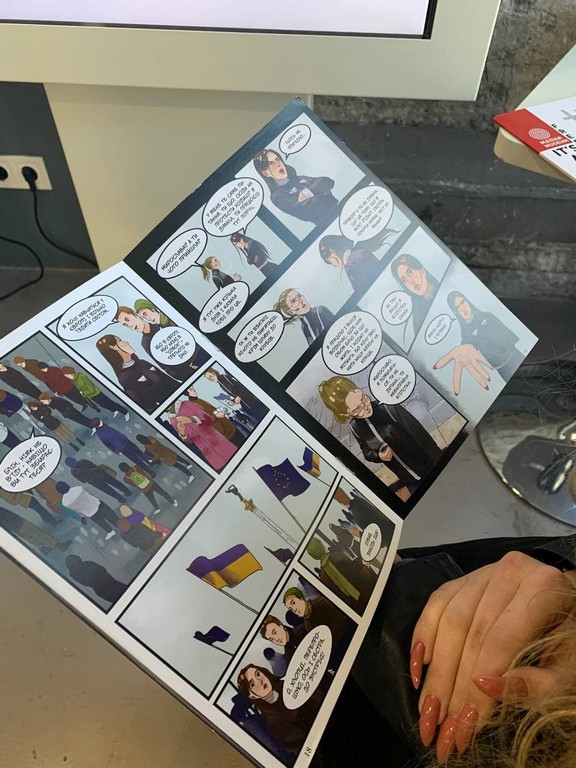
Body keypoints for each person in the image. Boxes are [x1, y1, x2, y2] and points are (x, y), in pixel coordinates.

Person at [318, 376, 442, 487]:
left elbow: (418, 432)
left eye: (363, 398)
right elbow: (366, 452)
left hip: (426, 464)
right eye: (357, 409)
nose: (365, 407)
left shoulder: (387, 407)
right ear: (346, 414)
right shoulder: (355, 427)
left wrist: (438, 457)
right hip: (406, 477)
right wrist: (379, 456)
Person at [435, 290, 525, 394]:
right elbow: (466, 349)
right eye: (457, 307)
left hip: (516, 357)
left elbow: (509, 335)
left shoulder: (487, 316)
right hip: (503, 369)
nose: (462, 308)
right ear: (455, 312)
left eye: (462, 302)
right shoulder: (467, 334)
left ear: (467, 301)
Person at [237, 664, 322, 754]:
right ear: (252, 696)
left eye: (258, 674)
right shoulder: (274, 721)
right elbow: (298, 744)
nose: (260, 681)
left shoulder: (287, 685)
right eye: (253, 684)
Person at [114, 304, 207, 382]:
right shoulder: (145, 343)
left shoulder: (159, 322)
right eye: (125, 325)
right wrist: (186, 376)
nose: (130, 325)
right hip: (190, 374)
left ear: (135, 314)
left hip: (202, 356)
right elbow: (165, 368)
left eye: (127, 319)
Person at [253, 149, 338, 224]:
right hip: (324, 222)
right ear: (266, 173)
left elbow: (328, 181)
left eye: (278, 159)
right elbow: (306, 211)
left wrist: (307, 193)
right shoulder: (277, 196)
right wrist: (320, 191)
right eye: (271, 163)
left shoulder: (299, 178)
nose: (278, 164)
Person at [96, 334, 175, 411]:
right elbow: (146, 404)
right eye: (119, 341)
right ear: (113, 347)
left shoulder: (142, 362)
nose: (126, 342)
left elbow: (169, 380)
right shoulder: (125, 377)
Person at [168, 399, 237, 471]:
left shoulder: (186, 404)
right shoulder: (172, 420)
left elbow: (209, 419)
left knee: (235, 457)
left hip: (215, 438)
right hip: (205, 449)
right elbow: (189, 441)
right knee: (224, 468)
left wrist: (191, 419)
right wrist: (182, 433)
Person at [283, 586, 350, 646]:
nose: (294, 609)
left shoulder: (322, 602)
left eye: (293, 603)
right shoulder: (307, 625)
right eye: (291, 609)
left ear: (301, 598)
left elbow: (344, 617)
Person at [391, 253, 439, 334]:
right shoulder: (418, 317)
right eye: (404, 280)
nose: (411, 281)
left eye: (410, 271)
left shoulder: (443, 285)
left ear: (422, 270)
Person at [55, 481, 120, 541]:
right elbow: (89, 493)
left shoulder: (65, 502)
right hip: (97, 504)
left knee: (101, 523)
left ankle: (110, 531)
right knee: (111, 516)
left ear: (59, 491)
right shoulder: (78, 488)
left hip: (90, 513)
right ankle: (120, 525)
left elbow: (74, 509)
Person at [61, 366, 129, 419]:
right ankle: (115, 410)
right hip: (91, 396)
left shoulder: (81, 376)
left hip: (96, 394)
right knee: (104, 405)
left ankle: (125, 412)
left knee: (109, 403)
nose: (66, 376)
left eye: (66, 375)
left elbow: (91, 389)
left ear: (69, 372)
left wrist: (84, 393)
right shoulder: (74, 380)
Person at [203, 367, 268, 422]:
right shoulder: (220, 384)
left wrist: (239, 397)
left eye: (210, 376)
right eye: (208, 378)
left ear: (213, 373)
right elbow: (236, 393)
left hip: (254, 402)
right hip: (248, 406)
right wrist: (233, 401)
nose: (211, 379)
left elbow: (242, 385)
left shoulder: (224, 377)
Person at [0, 506, 71, 556]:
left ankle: (42, 548)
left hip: (11, 526)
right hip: (15, 521)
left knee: (29, 536)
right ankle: (58, 545)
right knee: (38, 533)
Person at [90, 418, 156, 469]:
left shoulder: (101, 431)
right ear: (99, 423)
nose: (101, 420)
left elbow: (108, 444)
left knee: (136, 459)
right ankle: (150, 462)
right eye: (100, 420)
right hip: (125, 443)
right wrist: (116, 451)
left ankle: (149, 469)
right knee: (138, 452)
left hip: (122, 447)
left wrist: (116, 451)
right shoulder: (102, 432)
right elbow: (108, 444)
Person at [64, 457, 132, 503]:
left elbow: (83, 481)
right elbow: (94, 466)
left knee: (108, 490)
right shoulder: (83, 461)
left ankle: (120, 498)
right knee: (115, 482)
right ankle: (126, 491)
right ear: (74, 459)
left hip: (94, 481)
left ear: (69, 466)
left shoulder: (73, 472)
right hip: (100, 473)